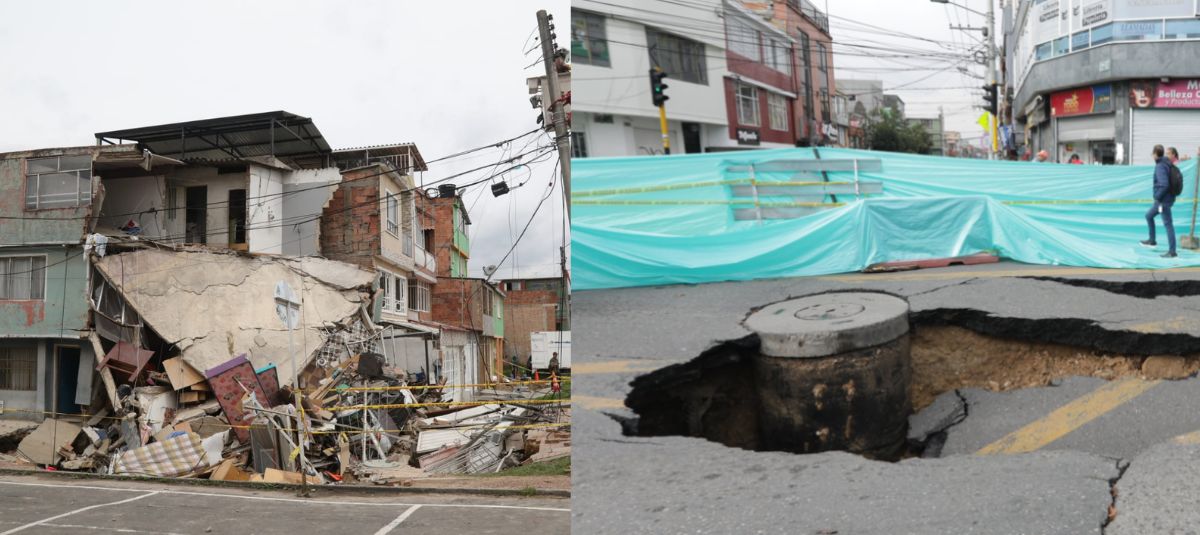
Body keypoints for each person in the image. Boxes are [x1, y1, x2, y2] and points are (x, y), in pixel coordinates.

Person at [1141, 144, 1178, 258]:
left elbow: (1164, 185)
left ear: (1155, 154)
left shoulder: (1161, 166)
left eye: (1152, 153)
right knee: (1148, 216)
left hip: (1163, 201)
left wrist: (1157, 196)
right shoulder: (1166, 163)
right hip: (1163, 200)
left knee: (1168, 225)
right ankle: (1152, 240)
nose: (1152, 156)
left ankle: (1172, 251)